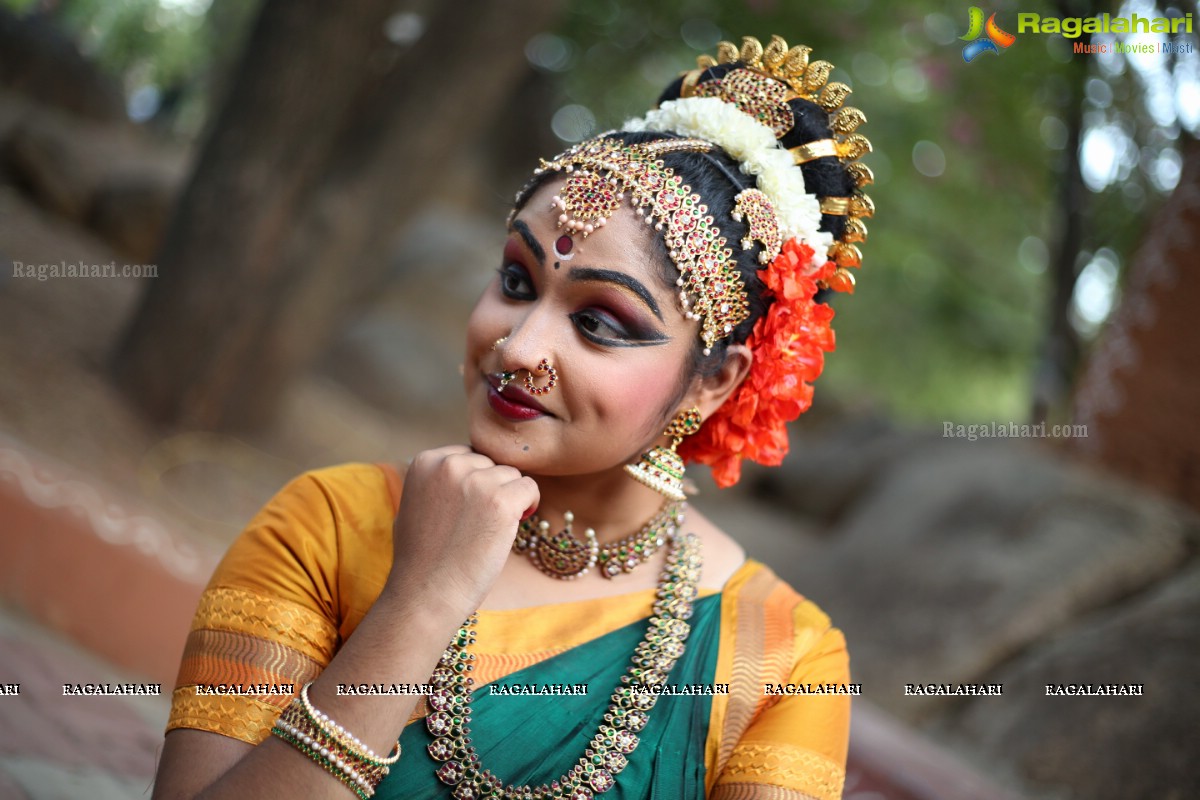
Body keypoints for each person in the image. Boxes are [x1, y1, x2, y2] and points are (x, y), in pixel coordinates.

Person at [151, 33, 875, 800]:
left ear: (714, 383)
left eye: (602, 321)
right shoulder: (328, 526)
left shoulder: (782, 658)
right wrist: (420, 602)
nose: (518, 345)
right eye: (516, 280)